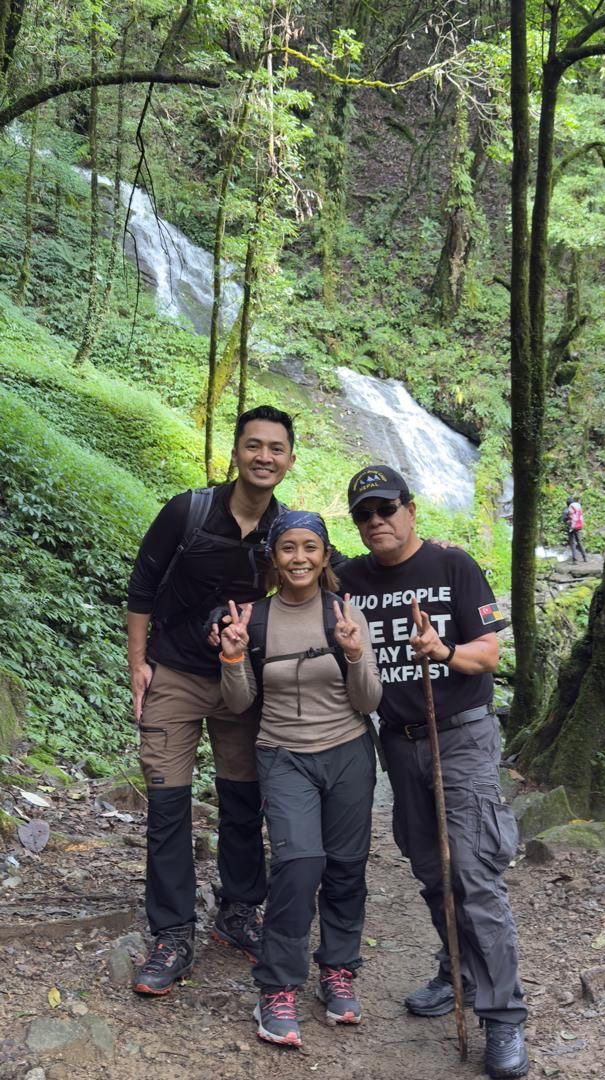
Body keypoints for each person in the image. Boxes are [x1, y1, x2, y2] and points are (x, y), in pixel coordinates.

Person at [337, 465, 528, 1080]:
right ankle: (459, 971)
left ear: (411, 508)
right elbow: (290, 563)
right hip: (398, 740)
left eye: (387, 508)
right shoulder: (349, 580)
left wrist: (444, 651)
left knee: (472, 872)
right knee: (429, 867)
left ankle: (502, 1017)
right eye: (365, 514)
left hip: (462, 735)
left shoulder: (453, 566)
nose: (377, 522)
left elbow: (489, 653)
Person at [127, 405, 297, 994]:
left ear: (290, 460)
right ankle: (172, 932)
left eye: (276, 448)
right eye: (254, 446)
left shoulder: (285, 532)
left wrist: (413, 543)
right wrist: (138, 666)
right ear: (236, 452)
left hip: (241, 681)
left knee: (243, 798)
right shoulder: (189, 510)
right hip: (173, 672)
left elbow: (327, 574)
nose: (264, 457)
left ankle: (239, 909)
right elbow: (142, 586)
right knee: (168, 805)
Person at [219, 511, 381, 1048]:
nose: (299, 558)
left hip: (349, 752)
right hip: (283, 754)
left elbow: (369, 700)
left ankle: (339, 970)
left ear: (325, 554)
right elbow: (240, 703)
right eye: (288, 547)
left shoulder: (344, 612)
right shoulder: (256, 619)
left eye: (310, 547)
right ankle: (278, 986)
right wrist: (235, 654)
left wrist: (355, 654)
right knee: (297, 864)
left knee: (346, 866)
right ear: (274, 556)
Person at [561, 496, 587, 563]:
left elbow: (563, 519)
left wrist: (566, 520)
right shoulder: (577, 507)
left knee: (572, 543)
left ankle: (575, 560)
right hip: (578, 526)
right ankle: (585, 557)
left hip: (570, 527)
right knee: (579, 541)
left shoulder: (566, 510)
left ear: (567, 503)